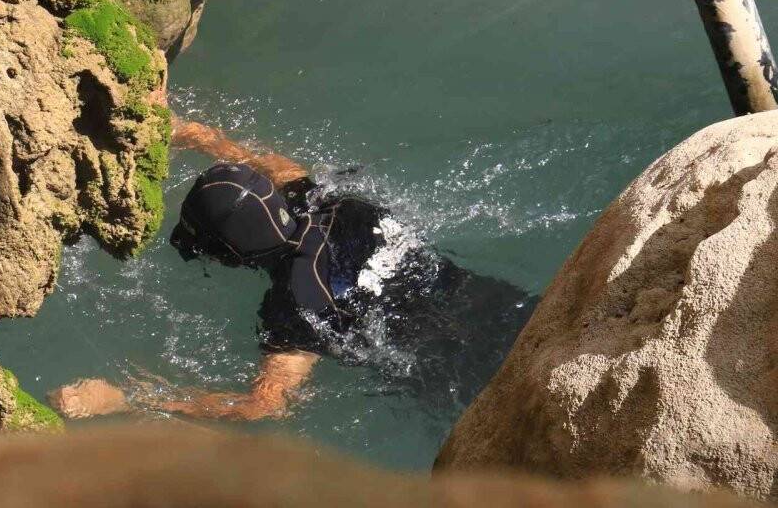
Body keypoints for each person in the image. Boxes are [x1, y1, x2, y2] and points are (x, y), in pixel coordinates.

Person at [48, 119, 535, 421]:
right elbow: (268, 168)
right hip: (506, 310)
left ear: (231, 257)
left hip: (462, 381)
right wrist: (193, 134)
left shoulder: (295, 310)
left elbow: (266, 406)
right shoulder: (338, 204)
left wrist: (130, 400)